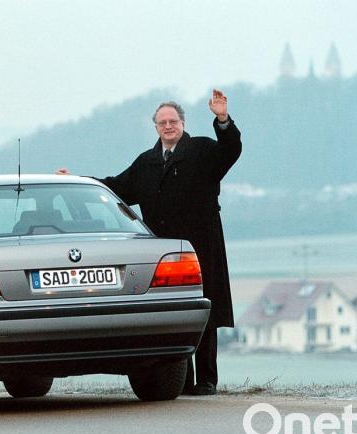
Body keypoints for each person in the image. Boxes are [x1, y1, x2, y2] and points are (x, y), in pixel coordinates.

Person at [57, 90, 241, 395]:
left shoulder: (203, 151)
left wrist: (222, 118)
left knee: (202, 309)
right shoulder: (147, 162)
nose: (168, 126)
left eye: (173, 121)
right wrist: (77, 181)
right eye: (162, 122)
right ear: (155, 127)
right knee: (172, 312)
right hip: (162, 251)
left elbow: (230, 150)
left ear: (182, 123)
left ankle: (206, 380)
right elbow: (115, 189)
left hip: (201, 245)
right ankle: (180, 380)